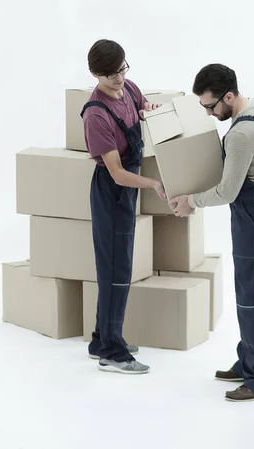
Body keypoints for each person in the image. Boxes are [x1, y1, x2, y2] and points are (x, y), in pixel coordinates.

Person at [168, 63, 254, 402]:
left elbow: (227, 191)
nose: (209, 113)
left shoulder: (239, 135)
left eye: (210, 106)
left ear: (229, 96)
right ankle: (250, 359)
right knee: (252, 295)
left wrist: (190, 201)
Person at [81, 39, 167, 374]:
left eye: (122, 69)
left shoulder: (129, 88)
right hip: (111, 191)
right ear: (94, 74)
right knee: (116, 270)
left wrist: (152, 111)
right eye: (110, 74)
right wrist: (154, 184)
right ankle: (113, 354)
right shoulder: (95, 114)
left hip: (129, 186)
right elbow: (116, 173)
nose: (119, 78)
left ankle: (101, 338)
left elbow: (143, 106)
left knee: (117, 266)